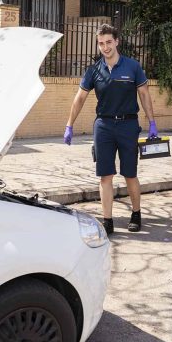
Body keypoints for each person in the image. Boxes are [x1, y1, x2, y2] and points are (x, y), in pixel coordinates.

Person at [63, 24, 157, 235]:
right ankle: (108, 221)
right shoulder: (94, 70)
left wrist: (152, 122)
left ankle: (136, 213)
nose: (105, 47)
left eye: (108, 42)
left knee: (130, 174)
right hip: (104, 126)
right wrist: (69, 124)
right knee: (105, 176)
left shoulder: (132, 67)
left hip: (128, 125)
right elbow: (79, 98)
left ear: (117, 42)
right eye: (101, 43)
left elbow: (144, 95)